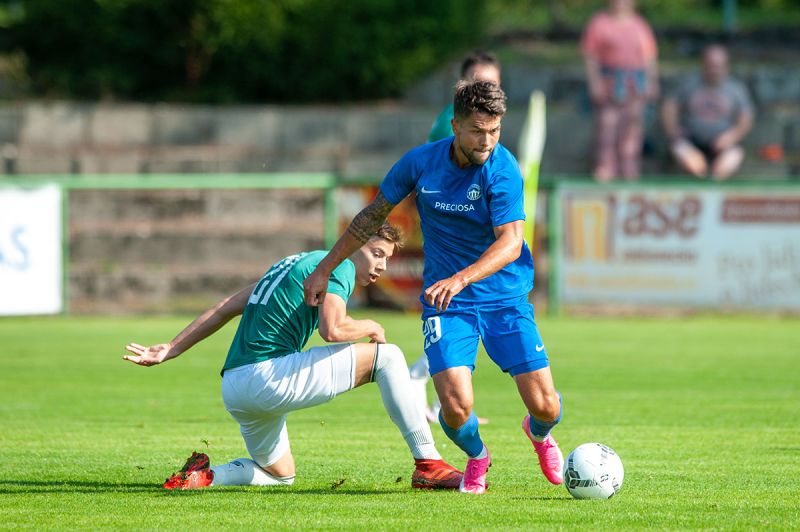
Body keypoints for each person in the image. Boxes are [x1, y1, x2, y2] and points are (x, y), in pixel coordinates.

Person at [304, 80, 564, 495]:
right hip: (448, 305)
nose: (487, 140)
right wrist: (325, 268)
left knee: (546, 407)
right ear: (455, 126)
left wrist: (462, 277)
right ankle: (478, 457)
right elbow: (372, 217)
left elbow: (511, 242)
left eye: (495, 130)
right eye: (478, 130)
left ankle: (539, 435)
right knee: (457, 409)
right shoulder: (421, 163)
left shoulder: (502, 168)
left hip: (505, 300)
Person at [123, 223, 462, 491]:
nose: (382, 266)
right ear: (354, 244)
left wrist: (171, 347)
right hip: (267, 376)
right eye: (376, 254)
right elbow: (332, 329)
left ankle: (207, 475)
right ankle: (428, 464)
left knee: (280, 475)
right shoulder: (338, 266)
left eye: (387, 258)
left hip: (236, 388)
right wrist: (371, 324)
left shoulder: (293, 263)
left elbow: (224, 307)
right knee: (388, 357)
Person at [409, 50, 501, 425]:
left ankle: (436, 388)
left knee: (473, 314)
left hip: (477, 238)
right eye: (480, 80)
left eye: (494, 81)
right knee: (460, 311)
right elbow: (437, 179)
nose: (488, 87)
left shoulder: (487, 129)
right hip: (455, 236)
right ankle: (424, 379)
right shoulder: (445, 130)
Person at [581, 0, 659, 181]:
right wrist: (595, 83)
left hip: (634, 86)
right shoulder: (599, 23)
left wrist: (652, 81)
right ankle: (604, 169)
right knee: (606, 129)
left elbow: (649, 57)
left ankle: (629, 169)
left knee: (632, 131)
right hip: (610, 83)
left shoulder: (640, 25)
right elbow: (590, 56)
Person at [661, 44, 754, 180]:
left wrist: (732, 136)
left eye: (718, 66)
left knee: (734, 156)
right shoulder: (688, 84)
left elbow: (746, 118)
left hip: (723, 145)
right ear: (703, 65)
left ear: (727, 66)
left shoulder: (736, 89)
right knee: (683, 152)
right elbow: (669, 107)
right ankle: (700, 180)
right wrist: (673, 131)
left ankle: (714, 186)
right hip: (691, 141)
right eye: (710, 65)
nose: (714, 70)